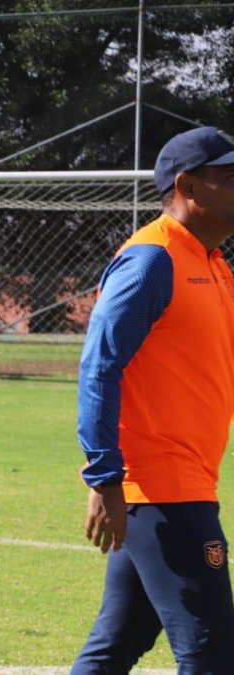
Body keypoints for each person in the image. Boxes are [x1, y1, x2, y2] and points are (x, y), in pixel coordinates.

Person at [72, 126, 234, 673]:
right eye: (231, 178)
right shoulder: (151, 261)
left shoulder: (215, 265)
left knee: (116, 645)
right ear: (189, 186)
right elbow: (100, 367)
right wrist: (105, 476)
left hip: (179, 488)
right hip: (163, 494)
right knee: (211, 655)